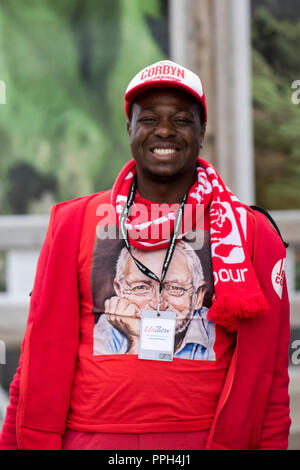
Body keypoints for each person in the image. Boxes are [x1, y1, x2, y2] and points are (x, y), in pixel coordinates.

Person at [0, 60, 291, 450]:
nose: (165, 130)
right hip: (90, 440)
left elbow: (269, 379)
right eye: (149, 118)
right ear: (130, 129)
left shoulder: (250, 233)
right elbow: (37, 356)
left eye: (182, 119)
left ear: (202, 131)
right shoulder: (74, 222)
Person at [93, 241, 216, 359]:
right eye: (141, 287)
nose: (159, 304)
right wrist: (136, 341)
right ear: (120, 291)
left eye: (174, 288)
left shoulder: (213, 329)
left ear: (198, 296)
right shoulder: (108, 328)